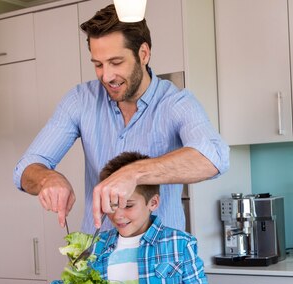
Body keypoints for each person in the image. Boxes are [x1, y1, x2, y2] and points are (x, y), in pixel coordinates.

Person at [13, 3, 229, 234]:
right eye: (98, 64)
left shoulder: (176, 103)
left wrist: (133, 173)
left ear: (143, 54)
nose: (106, 76)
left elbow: (215, 157)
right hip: (99, 261)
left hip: (160, 261)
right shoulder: (80, 100)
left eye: (116, 63)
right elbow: (26, 168)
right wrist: (47, 178)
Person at [21, 151, 210, 284]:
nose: (117, 215)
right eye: (111, 205)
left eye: (128, 205)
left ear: (153, 203)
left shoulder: (180, 243)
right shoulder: (97, 247)